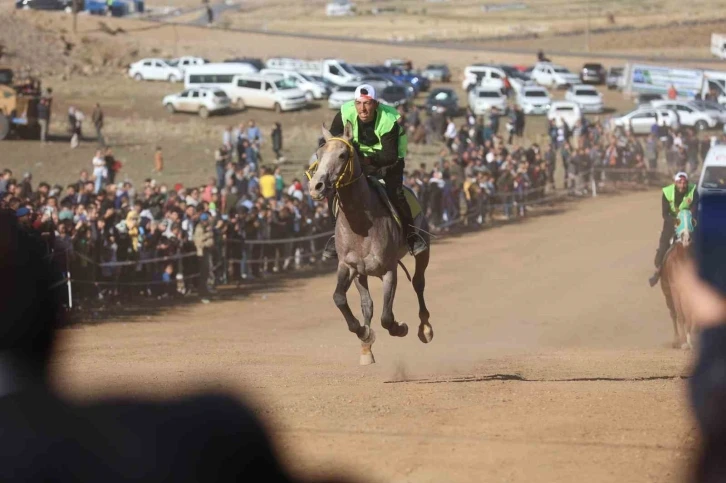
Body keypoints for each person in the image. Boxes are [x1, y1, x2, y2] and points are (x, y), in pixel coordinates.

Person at [0, 211, 359, 483]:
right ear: (54, 321)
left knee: (393, 201)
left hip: (382, 174)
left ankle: (414, 235)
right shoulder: (210, 428)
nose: (363, 106)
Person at [321, 84, 427, 259]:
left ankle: (411, 237)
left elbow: (388, 155)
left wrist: (363, 161)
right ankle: (335, 237)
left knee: (396, 193)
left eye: (368, 103)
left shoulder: (388, 120)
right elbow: (333, 141)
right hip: (357, 160)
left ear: (376, 104)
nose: (363, 109)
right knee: (334, 190)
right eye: (359, 103)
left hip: (388, 162)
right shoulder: (345, 113)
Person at [648, 171, 699, 287]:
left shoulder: (693, 191)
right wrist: (676, 222)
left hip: (689, 221)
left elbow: (695, 208)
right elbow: (665, 214)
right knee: (664, 246)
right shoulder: (667, 192)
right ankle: (658, 271)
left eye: (684, 182)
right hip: (672, 222)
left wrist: (688, 219)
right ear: (675, 183)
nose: (682, 185)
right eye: (679, 182)